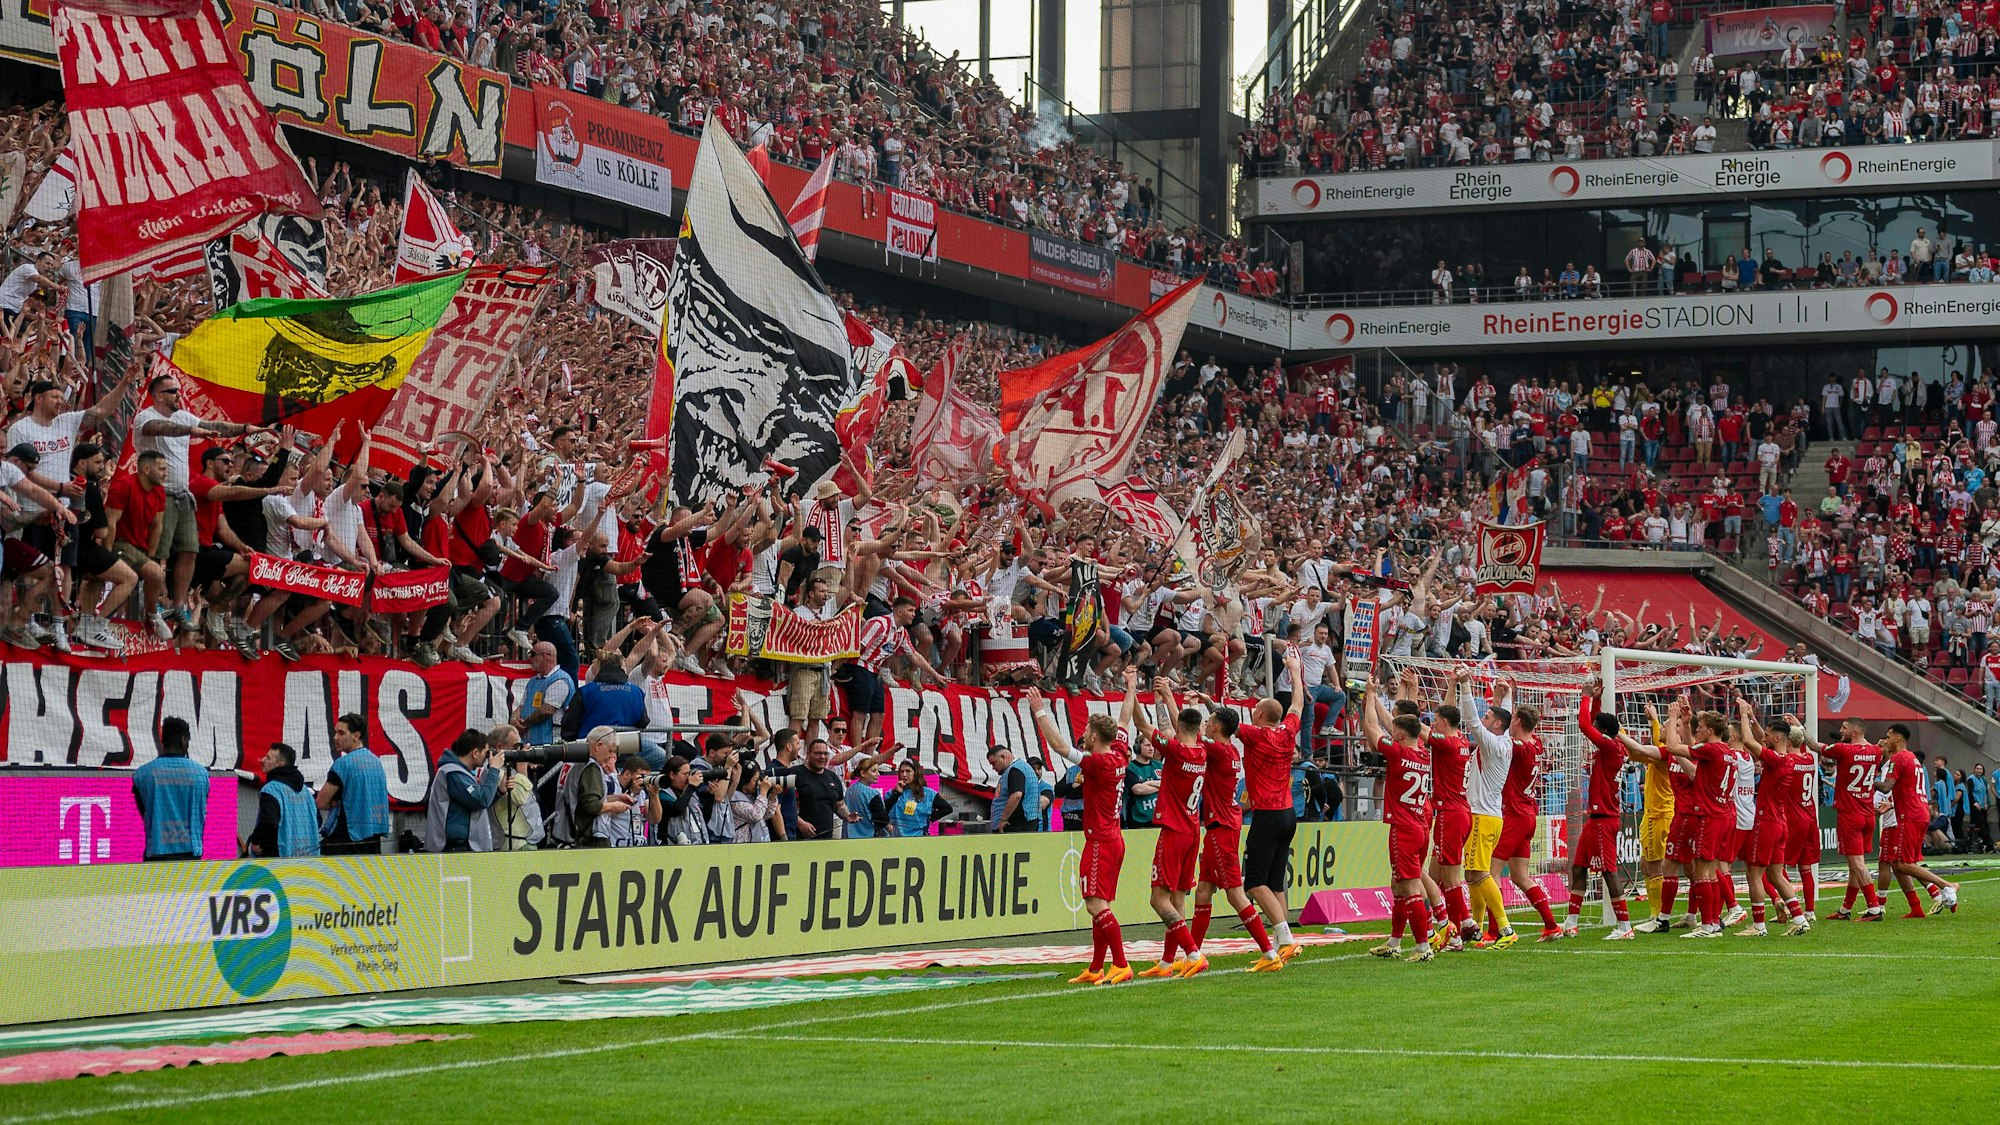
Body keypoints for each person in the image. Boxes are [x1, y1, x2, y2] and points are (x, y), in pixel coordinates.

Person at [1028, 673, 1136, 985]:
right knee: (1099, 904)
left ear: (1095, 737)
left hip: (1101, 840)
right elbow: (1125, 717)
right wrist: (1129, 687)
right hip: (1114, 838)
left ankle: (1121, 963)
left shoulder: (1097, 762)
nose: (1084, 734)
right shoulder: (1120, 754)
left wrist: (1039, 710)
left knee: (1094, 904)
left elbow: (1059, 746)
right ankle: (1096, 967)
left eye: (1087, 730)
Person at [1237, 647, 1310, 971]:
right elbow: (1298, 703)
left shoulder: (1256, 735)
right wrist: (1295, 670)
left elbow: (1228, 725)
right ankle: (1286, 942)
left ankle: (1285, 938)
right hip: (1287, 813)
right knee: (1275, 881)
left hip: (1266, 814)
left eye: (1254, 710)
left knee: (1254, 882)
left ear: (1261, 716)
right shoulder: (1288, 729)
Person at [1134, 676, 1209, 978]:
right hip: (1192, 829)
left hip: (1174, 829)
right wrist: (1166, 695)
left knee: (1158, 899)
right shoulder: (1201, 749)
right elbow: (1184, 726)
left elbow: (1142, 726)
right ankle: (1167, 962)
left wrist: (1132, 692)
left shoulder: (1177, 751)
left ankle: (1193, 953)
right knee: (1177, 898)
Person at [1360, 670, 1436, 963]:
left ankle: (1422, 947)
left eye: (1394, 731)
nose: (1391, 732)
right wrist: (1411, 693)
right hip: (1420, 825)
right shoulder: (1423, 754)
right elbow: (1406, 723)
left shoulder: (1397, 753)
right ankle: (1394, 942)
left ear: (1400, 736)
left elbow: (1370, 728)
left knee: (1410, 887)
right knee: (1399, 886)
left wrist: (1369, 696)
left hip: (1403, 828)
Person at [1568, 680, 1635, 939]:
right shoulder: (1612, 746)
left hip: (1604, 819)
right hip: (1595, 819)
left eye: (1599, 728)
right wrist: (1596, 700)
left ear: (1604, 732)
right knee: (1579, 867)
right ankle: (1571, 922)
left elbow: (1585, 725)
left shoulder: (1609, 747)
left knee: (1609, 871)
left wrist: (1584, 698)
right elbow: (1595, 724)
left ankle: (1624, 926)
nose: (1593, 731)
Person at [1452, 665, 1514, 944]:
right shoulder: (1505, 740)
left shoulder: (1491, 743)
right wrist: (1505, 696)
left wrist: (1465, 685)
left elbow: (1474, 723)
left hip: (1481, 815)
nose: (1485, 716)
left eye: (1490, 715)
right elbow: (1503, 718)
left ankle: (1505, 929)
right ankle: (1475, 927)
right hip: (1489, 815)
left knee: (1479, 872)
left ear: (1496, 725)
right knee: (1471, 873)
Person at [1739, 703, 1811, 937]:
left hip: (1767, 821)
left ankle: (1758, 925)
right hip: (1781, 822)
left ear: (1778, 737)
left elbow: (1751, 743)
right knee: (1775, 874)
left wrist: (1742, 716)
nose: (1764, 738)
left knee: (1754, 872)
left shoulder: (1777, 760)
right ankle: (1800, 919)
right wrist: (1754, 720)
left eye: (1768, 735)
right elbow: (1762, 741)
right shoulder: (1789, 758)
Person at [1876, 723, 1960, 916]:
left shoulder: (1898, 758)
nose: (1886, 740)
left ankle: (1947, 885)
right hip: (1917, 811)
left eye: (1888, 737)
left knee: (1899, 864)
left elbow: (1887, 786)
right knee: (1901, 864)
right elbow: (1909, 789)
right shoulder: (1912, 758)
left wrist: (1867, 782)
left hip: (1909, 815)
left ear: (1897, 738)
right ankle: (1926, 902)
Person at [1810, 720, 1889, 920]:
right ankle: (1845, 909)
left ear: (1854, 732)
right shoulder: (1875, 751)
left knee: (1857, 864)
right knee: (1856, 864)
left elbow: (1813, 746)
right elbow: (1876, 750)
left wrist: (1800, 728)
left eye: (1844, 728)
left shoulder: (1843, 750)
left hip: (1850, 814)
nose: (1840, 731)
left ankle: (1874, 908)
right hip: (1868, 814)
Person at [131, 717, 208, 861]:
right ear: (184, 740)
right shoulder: (201, 774)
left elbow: (144, 810)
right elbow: (202, 811)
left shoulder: (142, 774)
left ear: (162, 740)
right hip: (190, 854)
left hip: (157, 853)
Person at [318, 712, 390, 855]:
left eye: (341, 733)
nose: (335, 737)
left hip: (347, 839)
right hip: (373, 837)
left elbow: (320, 802)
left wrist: (334, 802)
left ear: (356, 736)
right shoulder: (376, 762)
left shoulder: (342, 764)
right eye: (335, 732)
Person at [425, 728, 503, 853]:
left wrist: (499, 791)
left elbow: (476, 806)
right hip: (455, 847)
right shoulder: (453, 773)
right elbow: (481, 800)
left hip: (462, 845)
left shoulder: (462, 773)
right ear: (475, 752)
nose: (487, 758)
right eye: (486, 753)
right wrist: (494, 769)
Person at [248, 742, 319, 858]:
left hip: (278, 861)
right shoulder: (306, 792)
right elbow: (317, 821)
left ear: (280, 764)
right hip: (308, 859)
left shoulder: (271, 789)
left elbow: (269, 822)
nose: (262, 760)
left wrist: (256, 841)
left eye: (268, 758)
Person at [790, 738, 852, 840]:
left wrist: (848, 816)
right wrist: (800, 823)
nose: (822, 757)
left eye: (825, 753)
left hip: (826, 840)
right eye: (818, 753)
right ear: (808, 754)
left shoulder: (832, 777)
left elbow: (839, 805)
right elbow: (784, 806)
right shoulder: (795, 774)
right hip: (800, 839)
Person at [515, 641, 576, 744]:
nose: (530, 659)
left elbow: (547, 710)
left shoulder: (560, 679)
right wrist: (514, 720)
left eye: (533, 654)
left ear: (544, 656)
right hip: (530, 742)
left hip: (550, 744)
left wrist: (525, 724)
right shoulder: (533, 681)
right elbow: (521, 706)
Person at [886, 760, 952, 837]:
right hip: (894, 839)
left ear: (915, 773)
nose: (904, 775)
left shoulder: (928, 793)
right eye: (901, 771)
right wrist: (896, 794)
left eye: (908, 771)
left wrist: (929, 819)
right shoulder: (892, 792)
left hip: (917, 837)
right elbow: (884, 811)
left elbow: (947, 809)